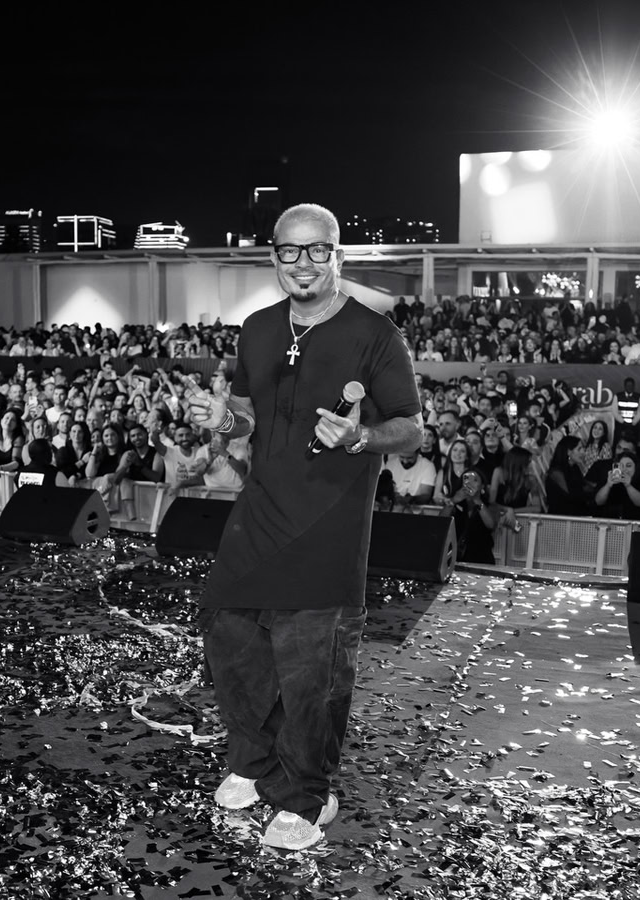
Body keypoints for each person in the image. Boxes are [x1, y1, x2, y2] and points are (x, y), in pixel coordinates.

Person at [186, 203, 422, 852]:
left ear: (336, 256)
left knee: (312, 671)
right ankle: (253, 760)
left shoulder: (375, 334)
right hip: (261, 508)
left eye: (318, 250)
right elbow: (244, 415)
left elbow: (411, 428)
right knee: (231, 638)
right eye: (290, 250)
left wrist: (361, 437)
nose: (304, 263)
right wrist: (221, 419)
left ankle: (307, 795)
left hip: (329, 521)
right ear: (275, 257)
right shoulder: (258, 328)